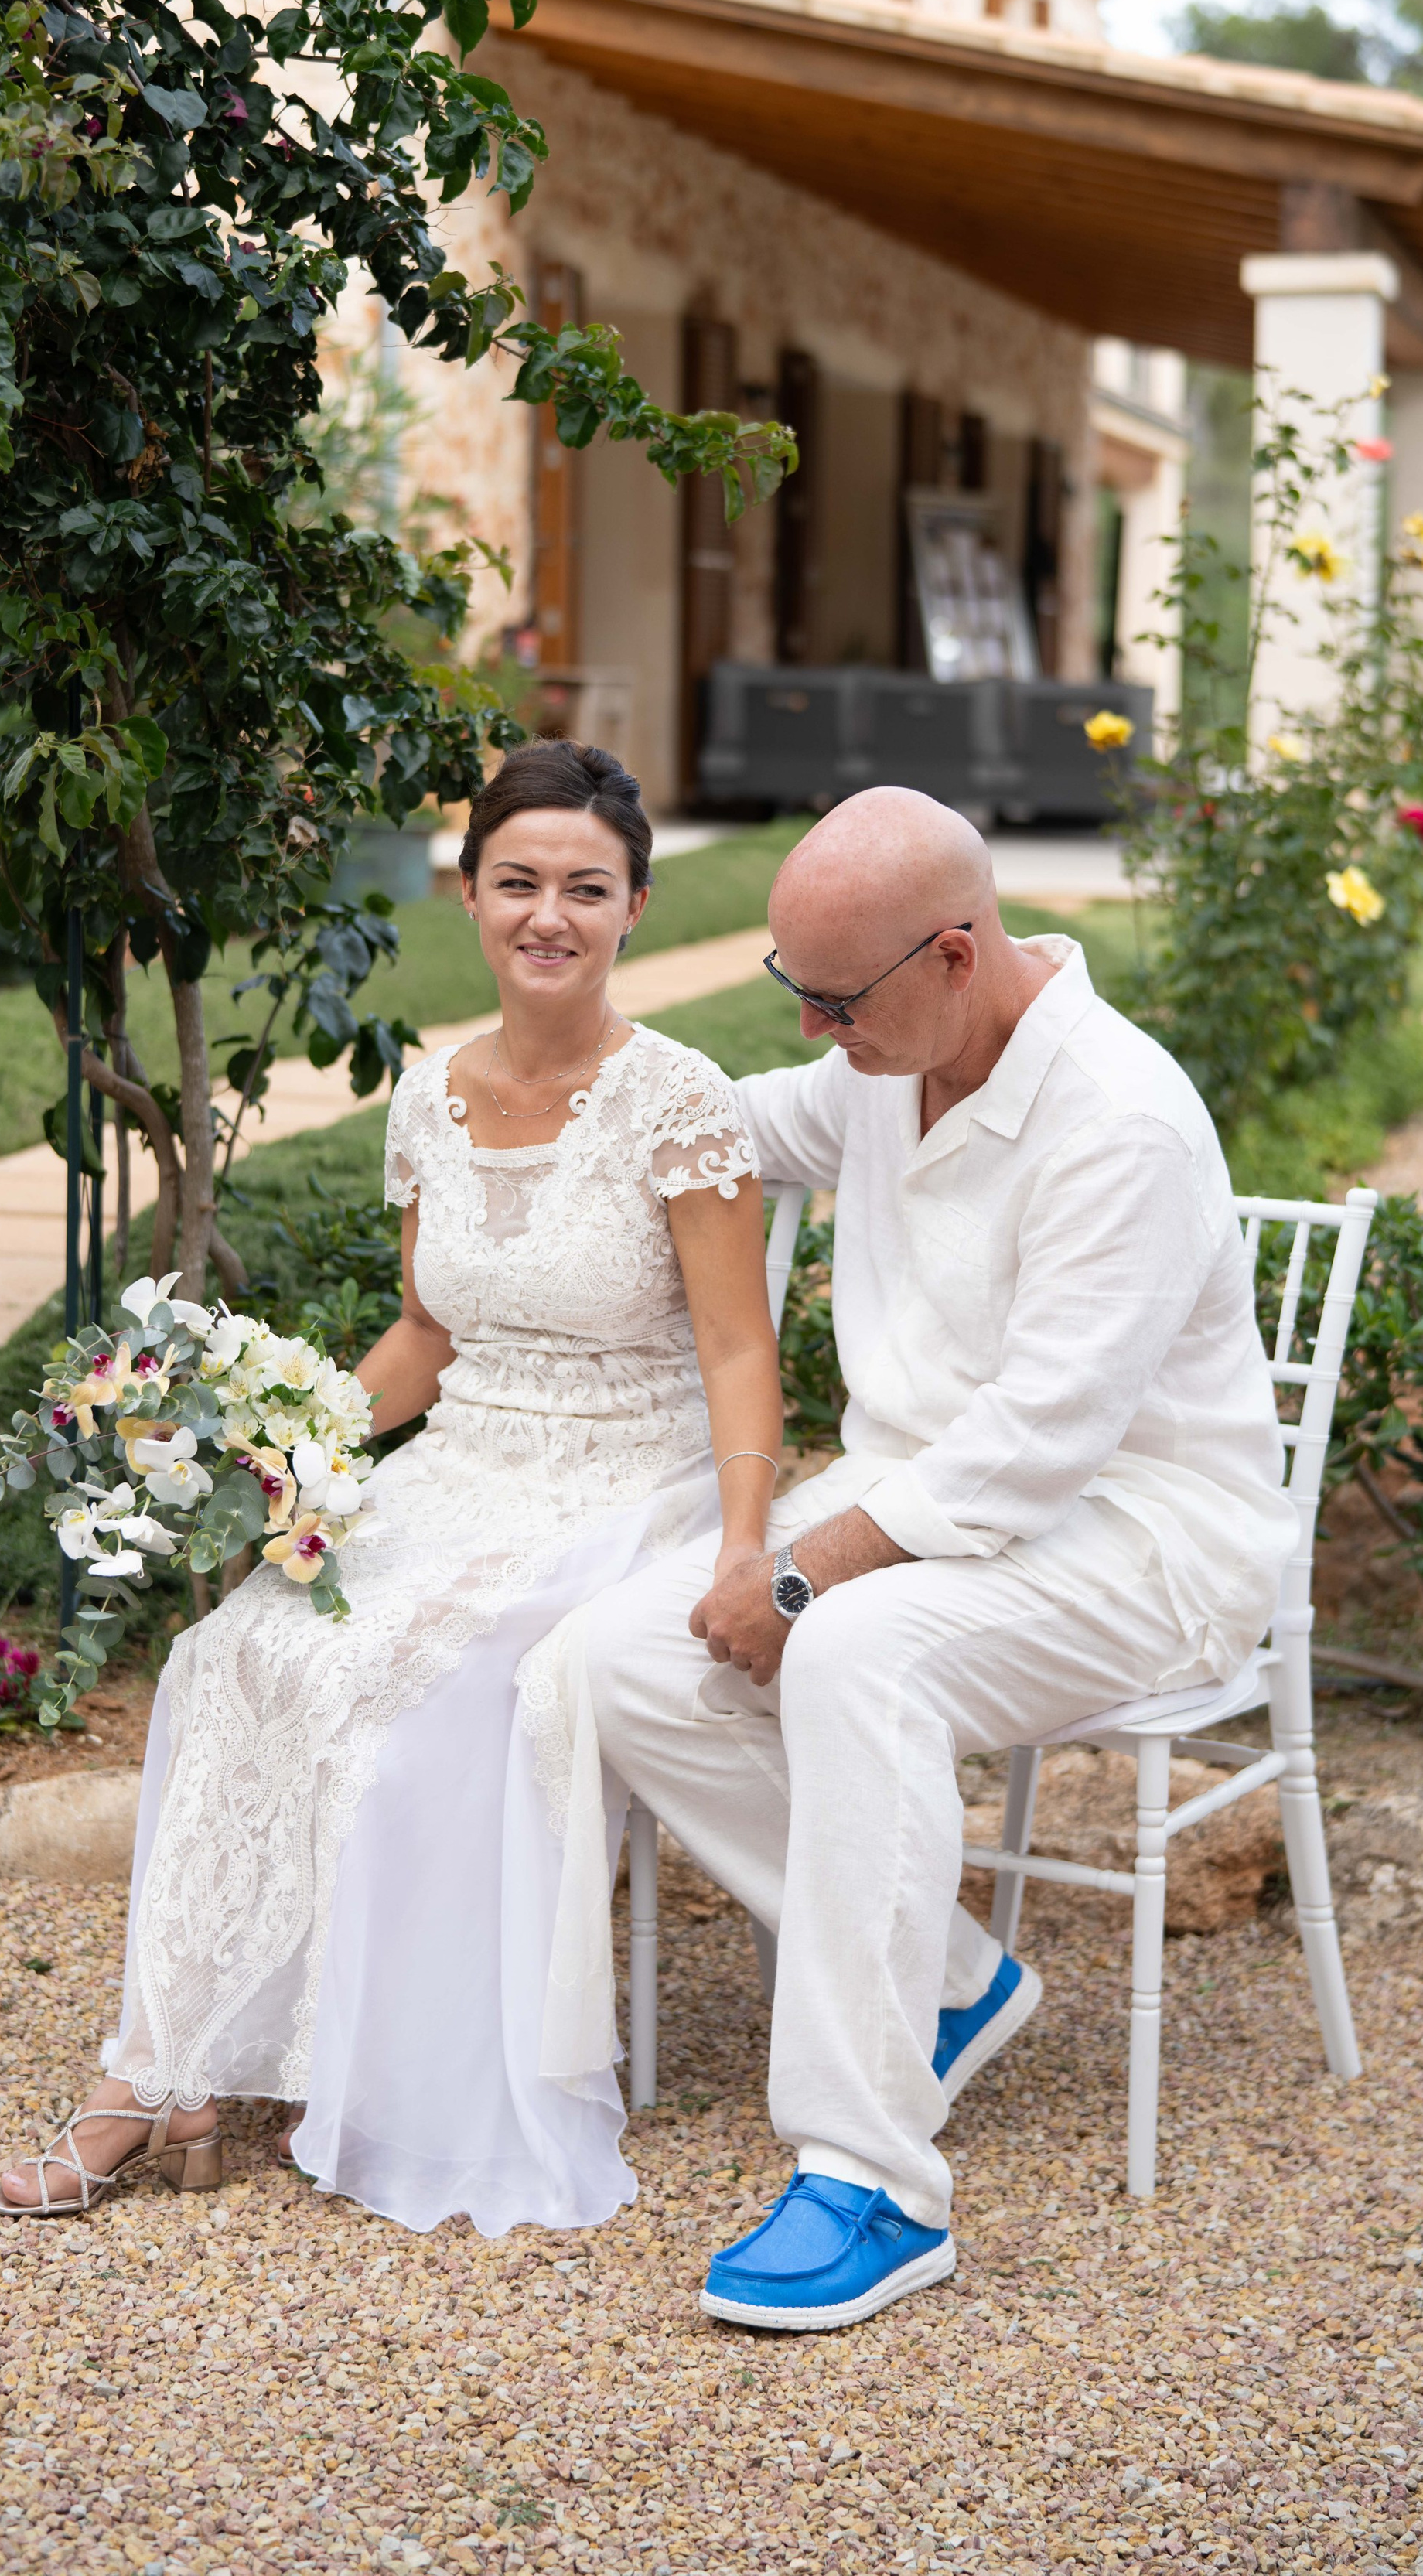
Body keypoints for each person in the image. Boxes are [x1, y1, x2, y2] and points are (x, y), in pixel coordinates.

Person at [0, 740, 782, 2232]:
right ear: (470, 893)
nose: (550, 915)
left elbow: (742, 1351)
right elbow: (425, 1330)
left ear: (637, 908)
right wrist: (299, 1452)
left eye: (586, 889)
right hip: (467, 1456)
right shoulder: (432, 1092)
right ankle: (163, 2072)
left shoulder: (680, 1100)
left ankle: (391, 2078)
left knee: (389, 1691)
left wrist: (745, 1549)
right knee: (230, 1654)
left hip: (629, 1480)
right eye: (520, 882)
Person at [575, 786, 1298, 2330]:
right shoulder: (885, 1064)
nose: (817, 1028)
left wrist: (792, 1568)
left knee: (845, 1647)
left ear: (956, 955)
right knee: (614, 1662)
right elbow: (732, 1123)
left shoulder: (1122, 1122)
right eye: (798, 995)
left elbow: (1034, 1448)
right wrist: (558, 1070)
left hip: (1147, 1533)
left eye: (836, 999)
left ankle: (871, 2178)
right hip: (942, 1505)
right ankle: (953, 1978)